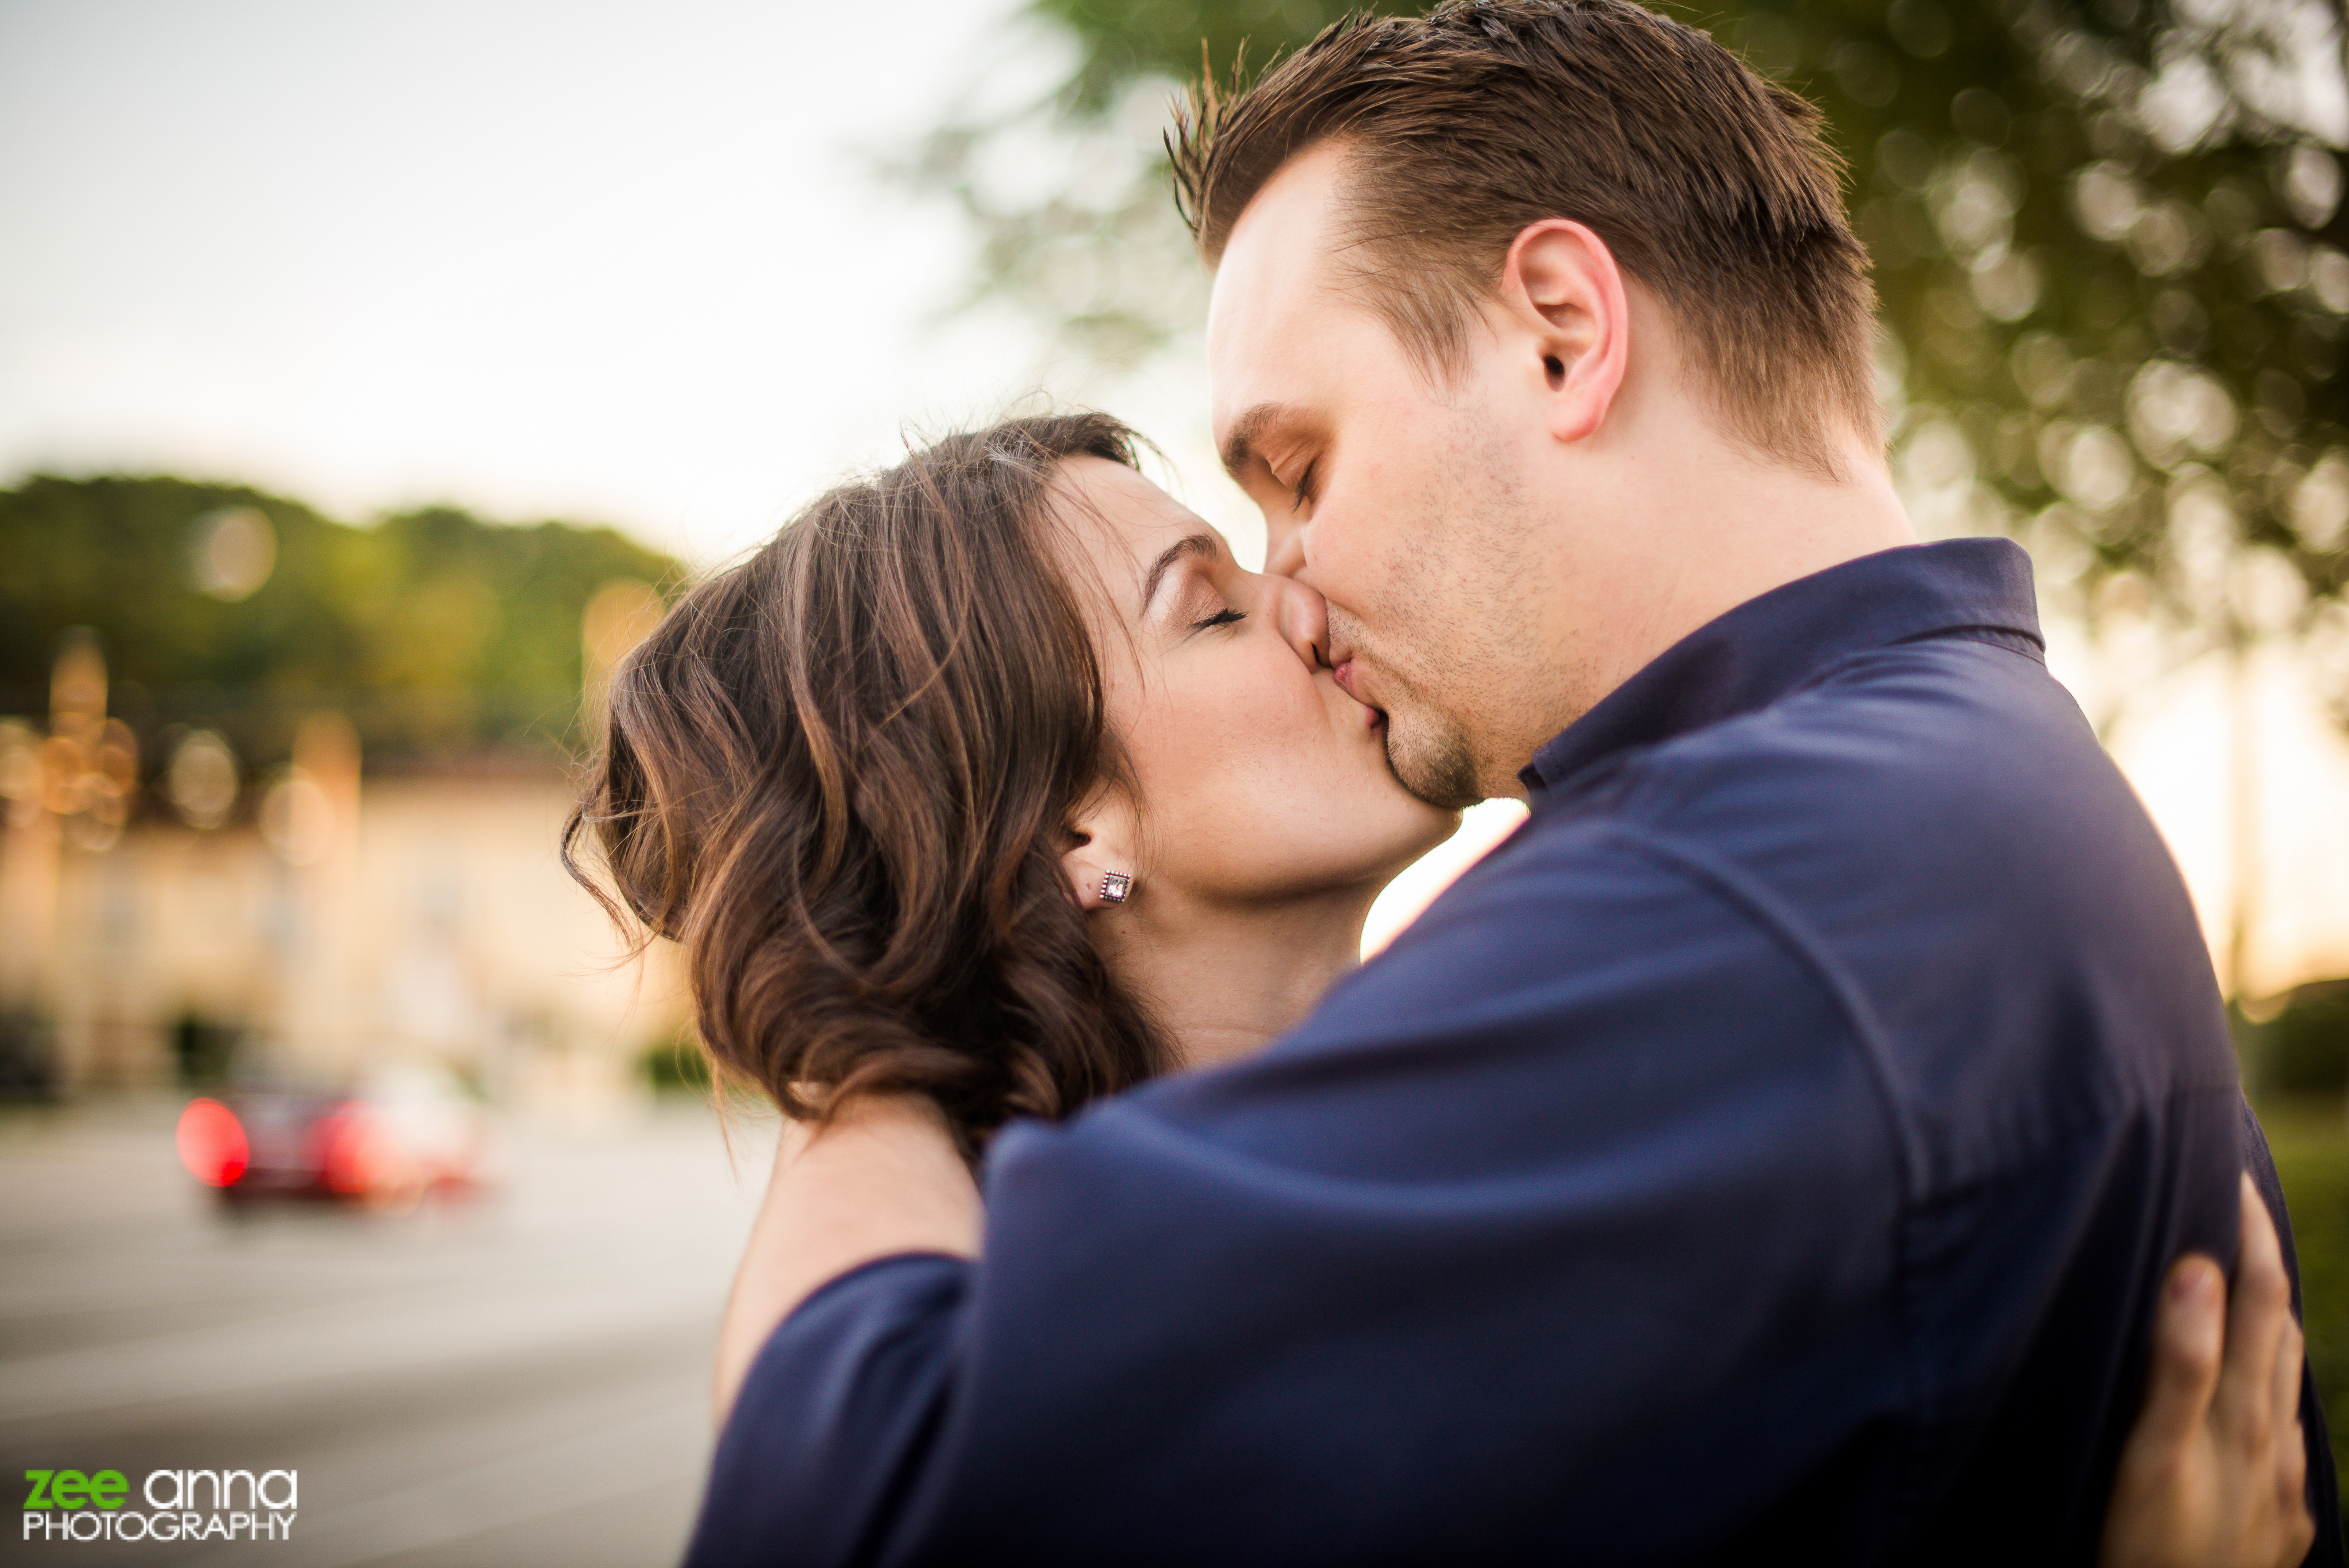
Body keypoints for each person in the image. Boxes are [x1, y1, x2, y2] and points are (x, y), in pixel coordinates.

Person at [567, 2, 2334, 1561]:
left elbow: (862, 1505)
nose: (1300, 585)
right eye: (1224, 569)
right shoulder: (1937, 765)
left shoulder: (1751, 897)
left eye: (1301, 467)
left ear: (1563, 332)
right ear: (1062, 827)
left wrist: (843, 1044)